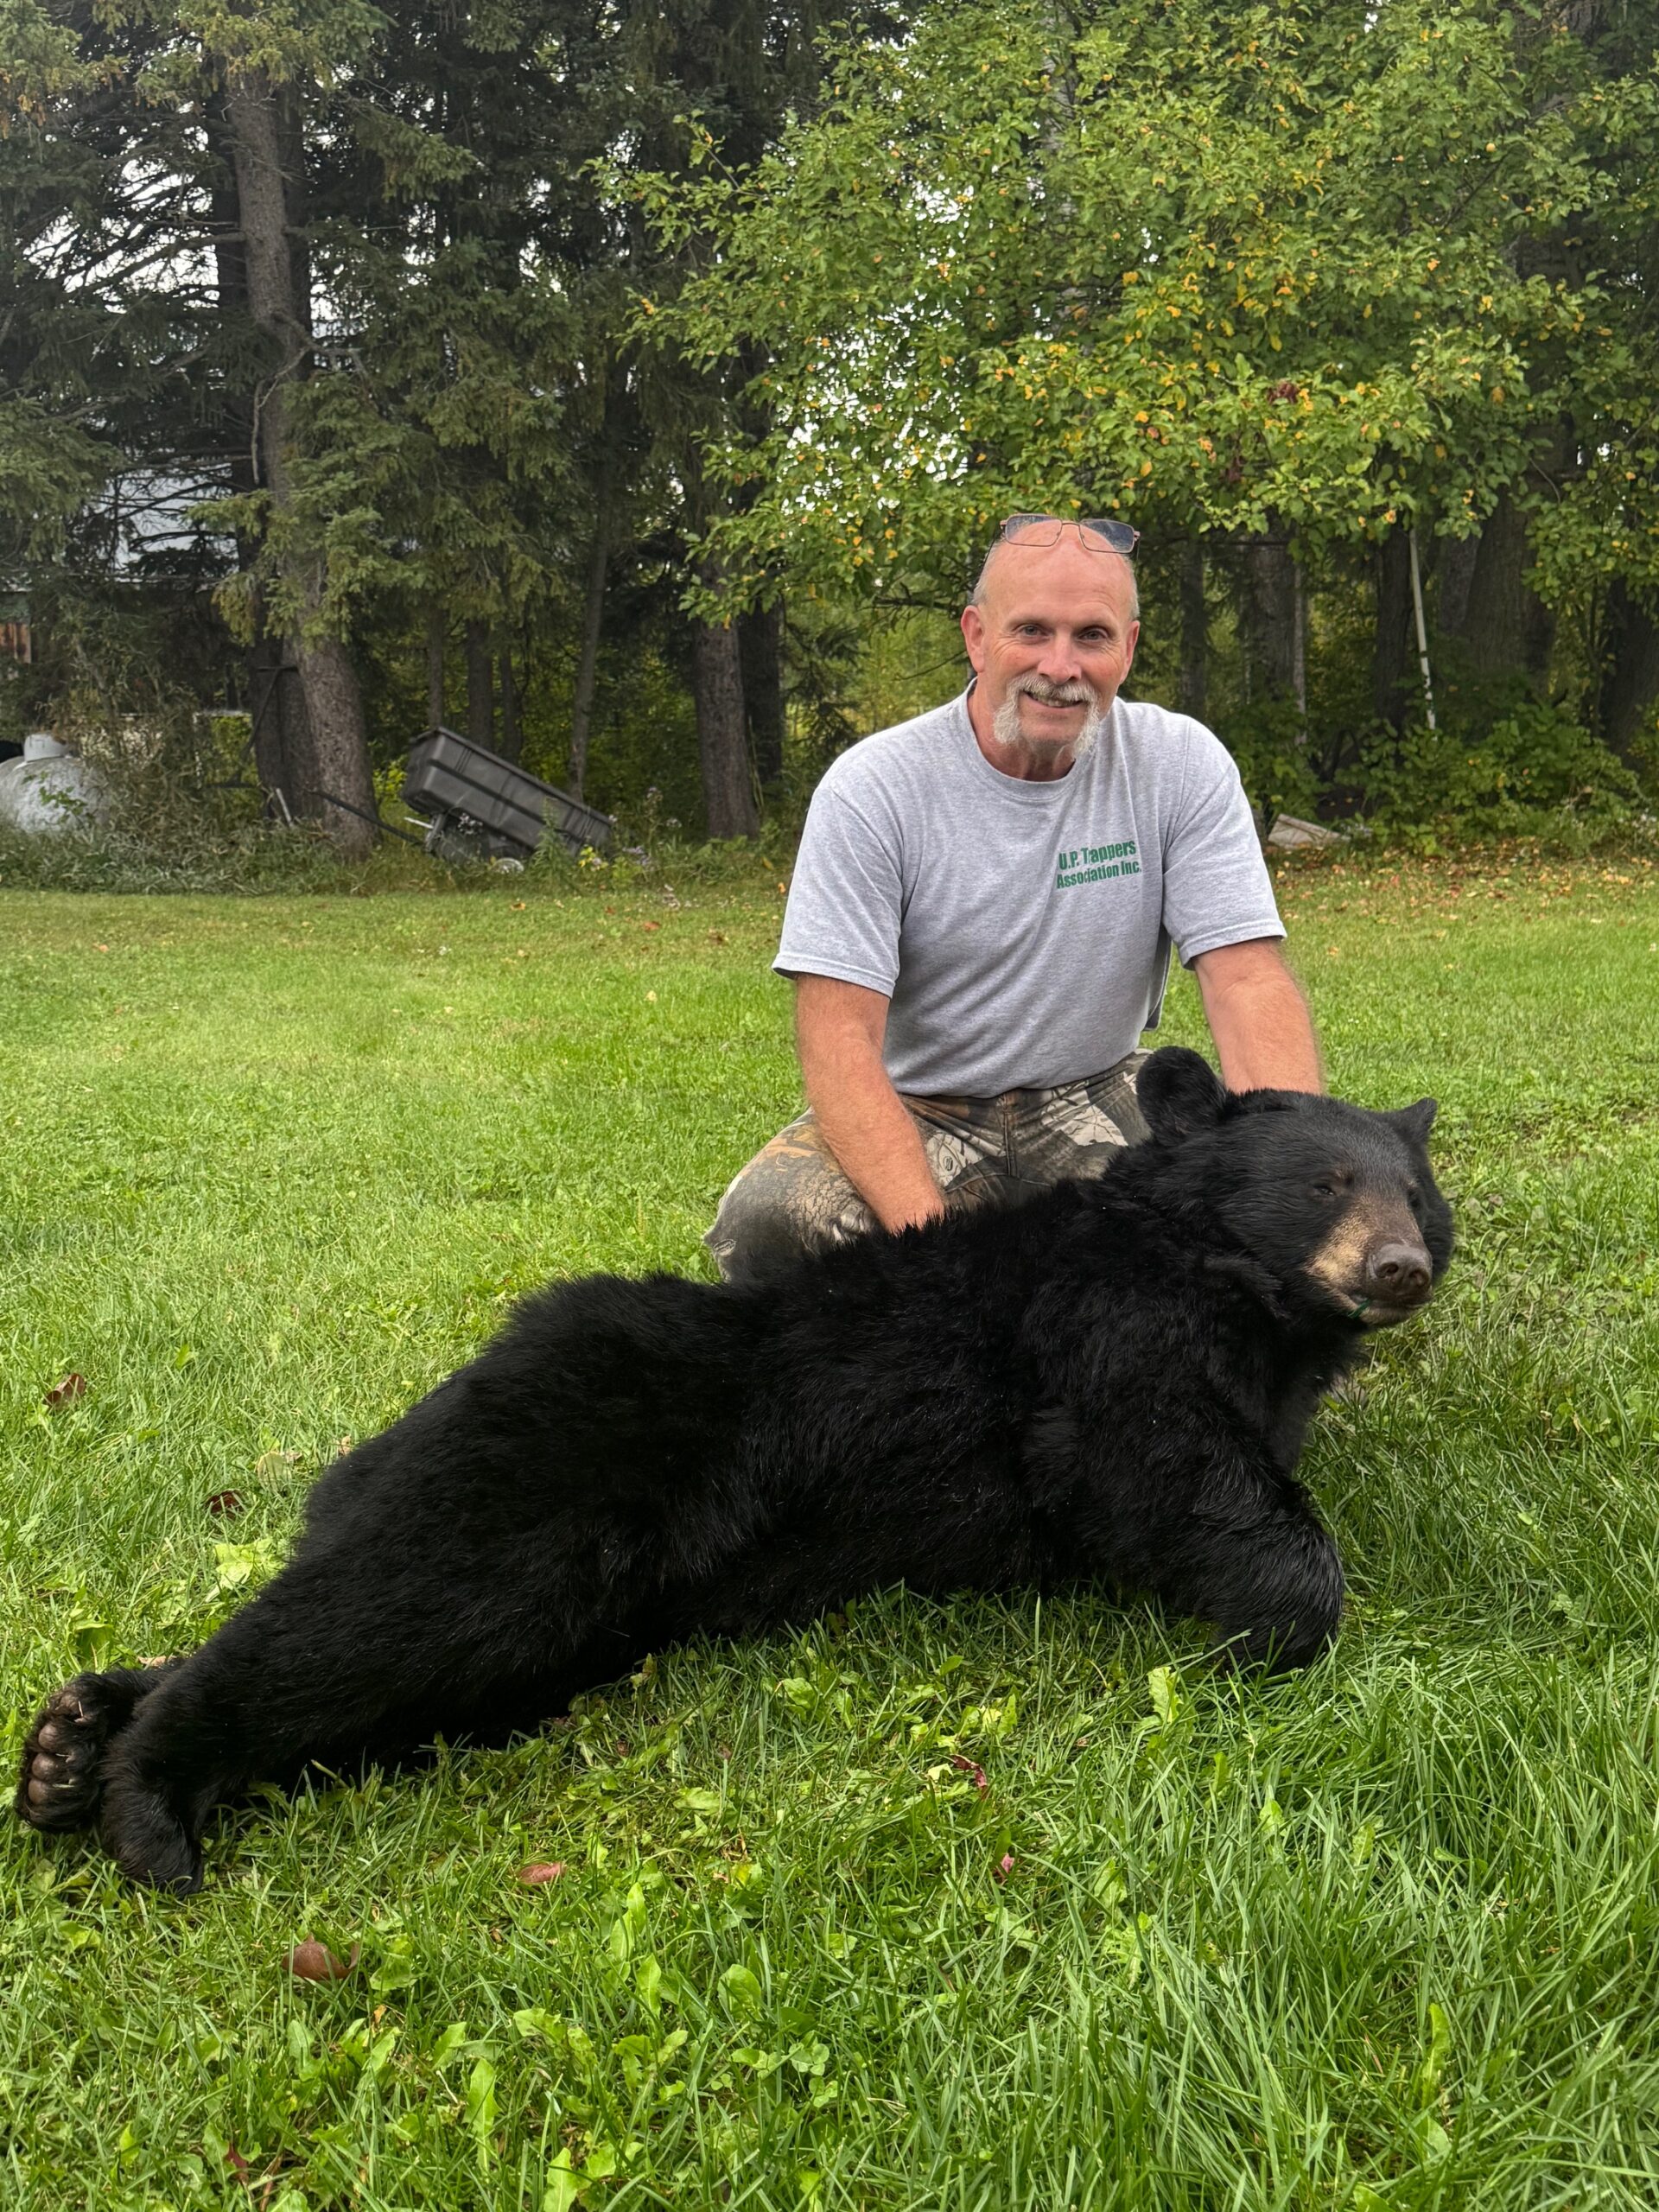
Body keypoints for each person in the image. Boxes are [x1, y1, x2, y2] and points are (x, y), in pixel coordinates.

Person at [704, 514, 1323, 1284]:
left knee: (1206, 1228)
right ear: (975, 636)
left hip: (1098, 1091)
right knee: (774, 1223)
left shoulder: (1180, 765)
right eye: (1030, 630)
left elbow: (1247, 982)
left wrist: (1294, 1185)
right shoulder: (874, 790)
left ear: (1127, 649)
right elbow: (840, 1042)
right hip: (922, 1107)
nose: (1059, 666)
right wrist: (935, 1259)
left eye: (1091, 636)